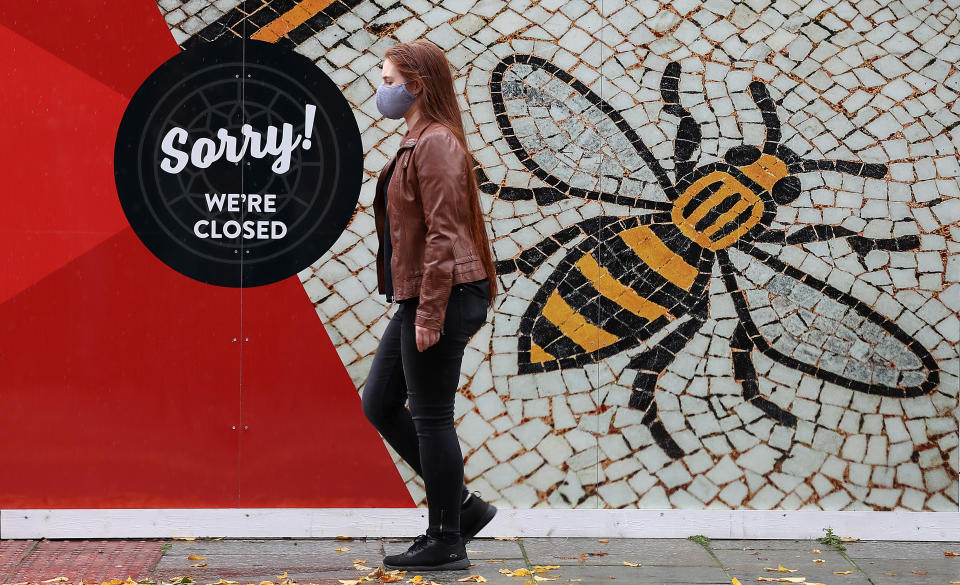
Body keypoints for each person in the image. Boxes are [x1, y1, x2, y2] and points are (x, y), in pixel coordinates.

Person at [360, 39, 500, 571]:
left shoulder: (437, 143)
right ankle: (461, 508)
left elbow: (445, 234)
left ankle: (445, 537)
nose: (383, 89)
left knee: (432, 417)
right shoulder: (418, 139)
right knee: (379, 402)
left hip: (441, 295)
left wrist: (430, 312)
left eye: (389, 79)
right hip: (420, 293)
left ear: (417, 85)